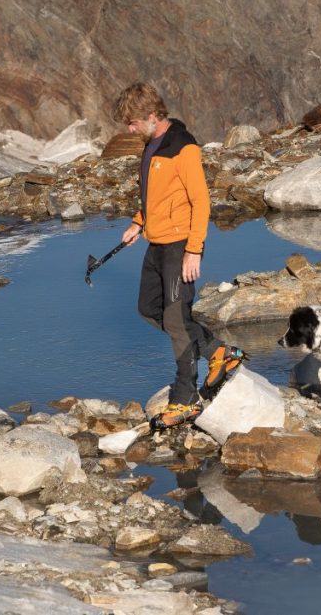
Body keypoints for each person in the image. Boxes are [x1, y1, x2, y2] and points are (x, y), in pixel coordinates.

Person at [112, 82, 244, 428]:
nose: (129, 129)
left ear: (152, 116)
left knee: (175, 319)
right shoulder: (152, 145)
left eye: (133, 123)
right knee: (148, 309)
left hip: (179, 244)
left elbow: (200, 201)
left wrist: (193, 251)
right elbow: (157, 195)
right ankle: (218, 350)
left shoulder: (183, 148)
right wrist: (138, 222)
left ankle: (185, 397)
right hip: (157, 243)